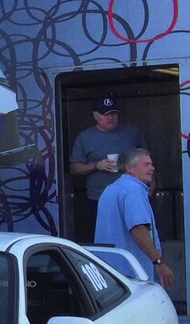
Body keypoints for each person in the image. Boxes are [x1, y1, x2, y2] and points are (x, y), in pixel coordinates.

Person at [69, 96, 148, 241]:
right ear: (95, 116)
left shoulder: (132, 132)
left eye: (113, 113)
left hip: (131, 196)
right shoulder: (85, 137)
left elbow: (147, 159)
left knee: (136, 236)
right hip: (99, 198)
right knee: (105, 238)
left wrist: (151, 186)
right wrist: (96, 165)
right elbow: (74, 168)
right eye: (105, 114)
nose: (110, 117)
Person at [95, 148, 174, 288]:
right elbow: (138, 229)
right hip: (133, 274)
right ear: (130, 168)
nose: (152, 168)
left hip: (109, 272)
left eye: (151, 164)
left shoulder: (110, 189)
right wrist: (159, 263)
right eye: (146, 165)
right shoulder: (134, 191)